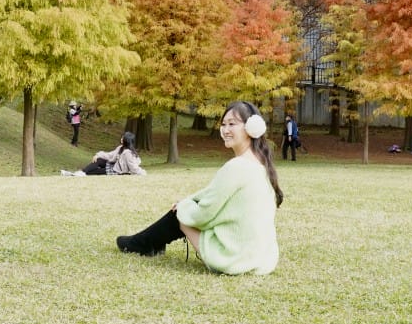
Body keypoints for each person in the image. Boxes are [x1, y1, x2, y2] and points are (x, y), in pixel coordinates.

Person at [116, 100, 282, 275]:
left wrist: (183, 207)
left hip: (234, 258)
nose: (225, 130)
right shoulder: (260, 164)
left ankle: (142, 243)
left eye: (232, 124)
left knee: (180, 214)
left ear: (251, 128)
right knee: (185, 206)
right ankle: (149, 242)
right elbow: (211, 194)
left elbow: (203, 214)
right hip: (262, 258)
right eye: (223, 124)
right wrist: (188, 202)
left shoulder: (236, 166)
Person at [61, 131, 145, 176]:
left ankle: (78, 174)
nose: (121, 138)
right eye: (122, 137)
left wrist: (142, 172)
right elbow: (109, 155)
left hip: (116, 171)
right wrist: (97, 155)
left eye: (123, 138)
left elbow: (133, 167)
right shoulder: (121, 148)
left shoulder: (128, 153)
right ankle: (81, 172)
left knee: (94, 172)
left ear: (127, 140)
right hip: (113, 166)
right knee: (99, 160)